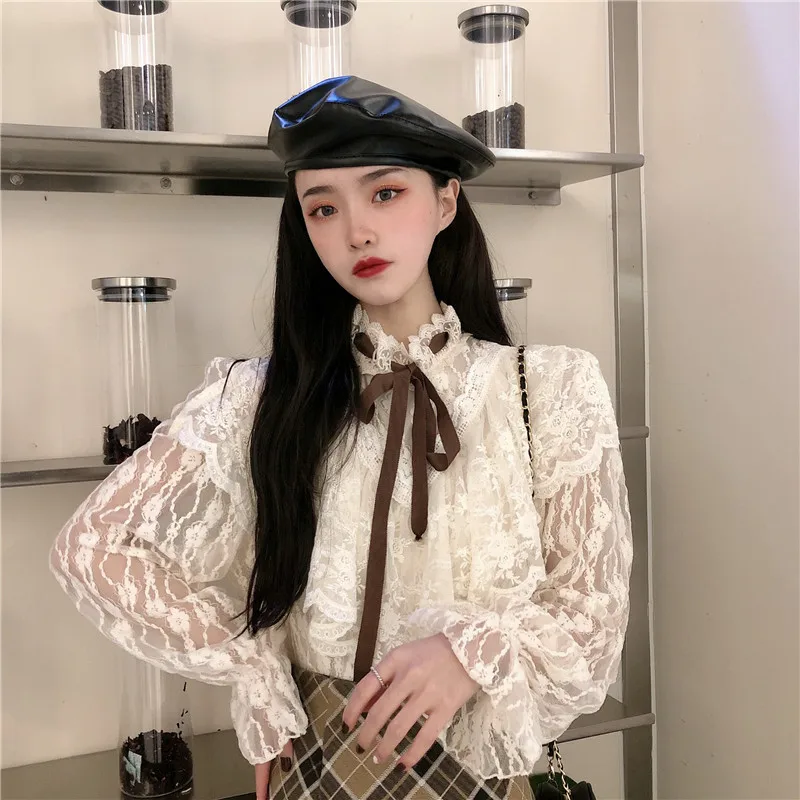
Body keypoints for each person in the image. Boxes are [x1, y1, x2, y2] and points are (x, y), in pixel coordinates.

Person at [49, 76, 633, 800]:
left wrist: (471, 653)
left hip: (478, 771)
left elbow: (592, 617)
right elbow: (94, 546)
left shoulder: (547, 389)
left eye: (385, 193)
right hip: (319, 764)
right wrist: (254, 668)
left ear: (446, 201)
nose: (356, 231)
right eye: (323, 208)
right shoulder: (260, 396)